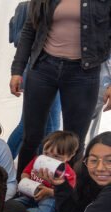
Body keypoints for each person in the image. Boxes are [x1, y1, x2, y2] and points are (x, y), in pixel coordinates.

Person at [11, 0, 111, 175]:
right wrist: (17, 70)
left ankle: (68, 194)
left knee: (75, 139)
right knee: (31, 135)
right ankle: (23, 186)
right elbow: (29, 29)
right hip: (43, 67)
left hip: (84, 72)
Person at [6, 0, 61, 160]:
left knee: (28, 124)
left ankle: (4, 164)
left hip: (32, 68)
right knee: (48, 126)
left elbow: (16, 39)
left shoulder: (24, 6)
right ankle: (7, 165)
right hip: (42, 69)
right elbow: (25, 37)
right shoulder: (38, 6)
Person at [14, 130, 79, 212]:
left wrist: (48, 191)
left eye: (56, 156)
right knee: (14, 204)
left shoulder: (69, 174)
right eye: (46, 153)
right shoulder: (37, 160)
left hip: (49, 199)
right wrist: (26, 182)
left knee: (46, 209)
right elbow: (25, 173)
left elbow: (66, 194)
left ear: (69, 156)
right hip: (30, 195)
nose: (49, 159)